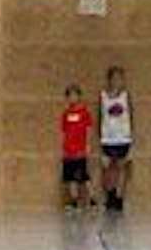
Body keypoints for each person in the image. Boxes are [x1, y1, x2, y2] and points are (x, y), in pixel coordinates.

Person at [98, 66, 133, 211]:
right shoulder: (103, 96)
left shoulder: (126, 96)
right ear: (109, 79)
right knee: (108, 169)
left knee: (122, 167)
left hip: (123, 137)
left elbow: (131, 116)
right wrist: (100, 137)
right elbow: (100, 117)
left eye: (120, 78)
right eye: (114, 78)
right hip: (108, 138)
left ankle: (119, 198)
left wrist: (132, 139)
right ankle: (110, 195)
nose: (117, 81)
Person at [57, 83, 95, 213]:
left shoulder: (84, 113)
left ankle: (92, 199)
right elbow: (63, 132)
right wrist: (63, 148)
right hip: (69, 150)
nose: (72, 98)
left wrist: (88, 145)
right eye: (70, 96)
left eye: (75, 95)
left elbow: (89, 129)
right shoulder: (66, 114)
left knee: (83, 176)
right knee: (70, 178)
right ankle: (74, 201)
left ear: (79, 96)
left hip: (80, 150)